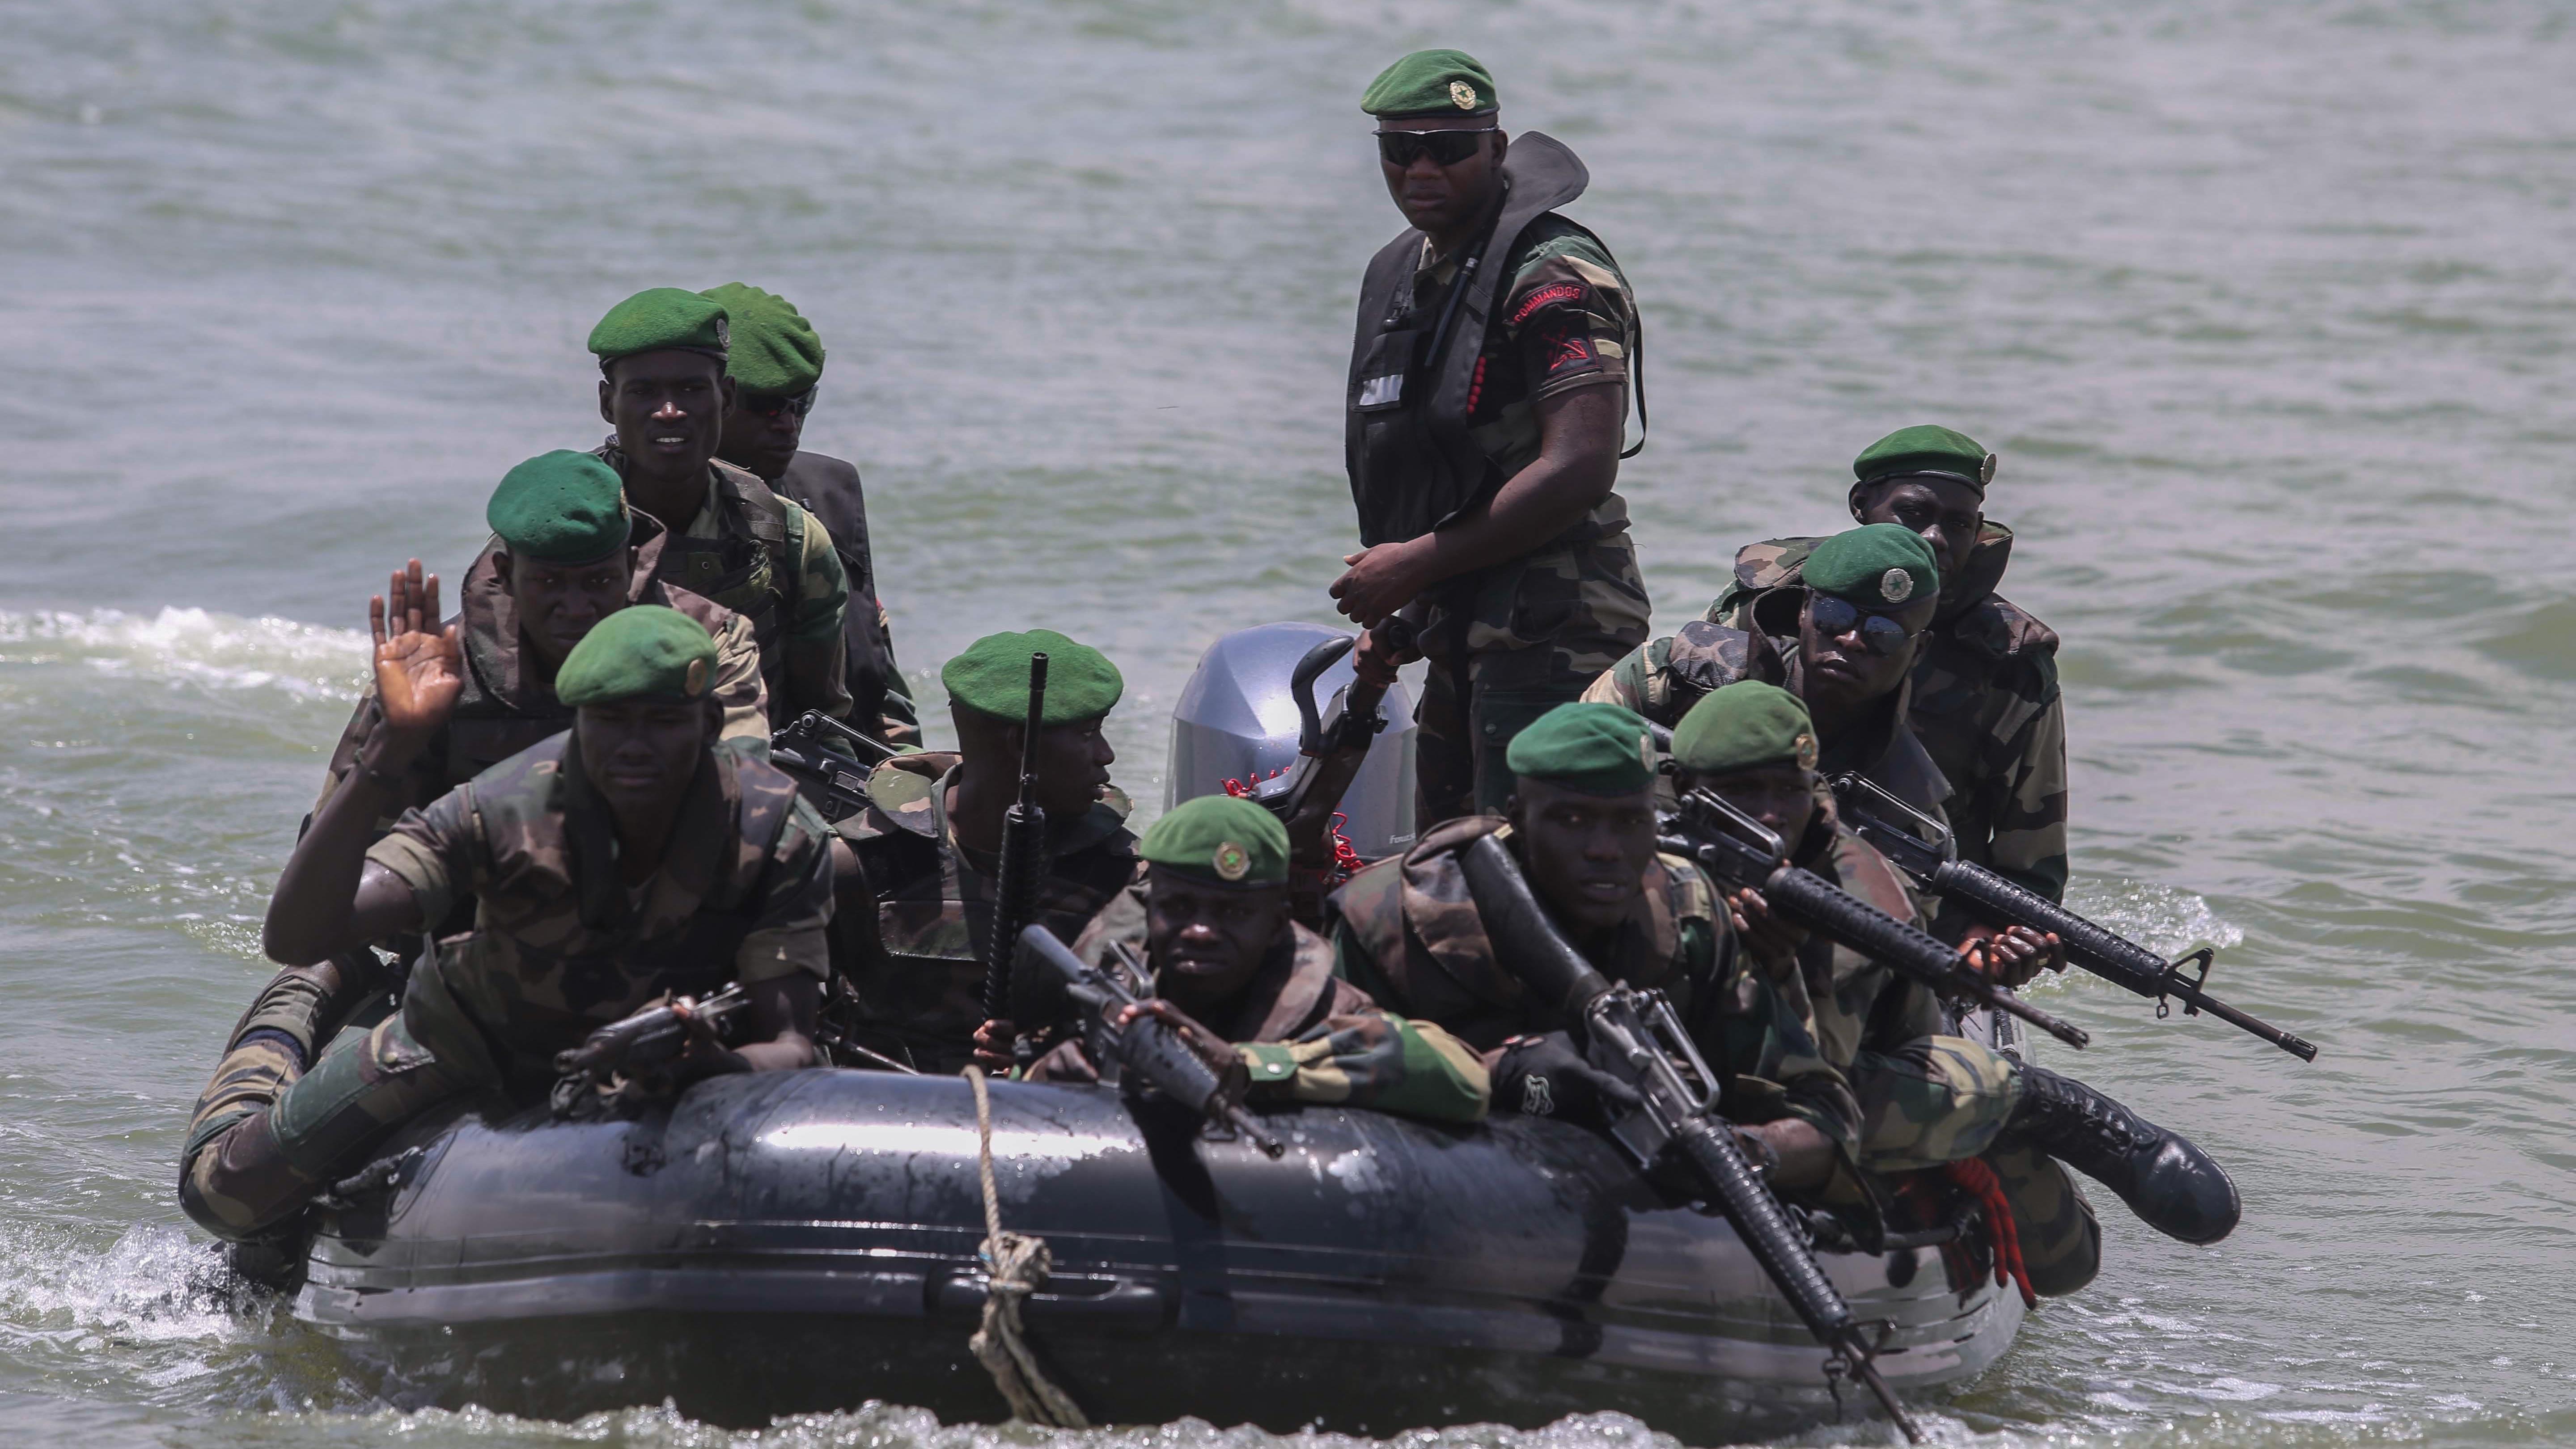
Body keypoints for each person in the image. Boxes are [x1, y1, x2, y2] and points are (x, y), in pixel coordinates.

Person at [178, 606, 835, 1245]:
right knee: (223, 1198)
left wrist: (713, 1066)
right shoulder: (500, 807)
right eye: (611, 722)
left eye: (664, 722)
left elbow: (792, 1043)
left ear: (710, 722)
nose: (636, 748)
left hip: (654, 1053)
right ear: (579, 726)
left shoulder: (774, 830)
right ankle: (308, 1000)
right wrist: (388, 753)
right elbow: (297, 934)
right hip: (471, 1041)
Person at [1666, 680, 2239, 1292]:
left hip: (1870, 1066)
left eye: (1788, 790)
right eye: (1742, 792)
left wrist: (1780, 966)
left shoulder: (1859, 899)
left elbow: (1814, 1084)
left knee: (2063, 1261)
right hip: (1754, 1056)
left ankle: (2045, 1106)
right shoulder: (1653, 849)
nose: (1771, 813)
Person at [1328, 702, 1858, 1194]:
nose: (1605, 850)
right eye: (1572, 821)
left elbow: (1823, 1111)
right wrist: (1493, 1077)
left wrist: (1742, 1153)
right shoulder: (1386, 919)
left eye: (1631, 822)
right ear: (1517, 815)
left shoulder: (1688, 915)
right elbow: (1313, 1090)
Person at [1329, 49, 1652, 829]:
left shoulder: (1552, 274)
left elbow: (1580, 465)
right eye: (1401, 151)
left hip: (1556, 620)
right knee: (1447, 864)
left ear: (1497, 149)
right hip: (1458, 613)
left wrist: (1414, 564)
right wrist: (1411, 606)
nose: (1422, 170)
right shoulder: (1413, 272)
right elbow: (1433, 470)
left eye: (1448, 148)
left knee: (1533, 862)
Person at [312, 450, 768, 830]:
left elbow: (746, 799)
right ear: (508, 575)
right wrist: (398, 738)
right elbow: (331, 858)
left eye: (598, 583)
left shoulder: (710, 641)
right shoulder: (440, 668)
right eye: (549, 584)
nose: (574, 608)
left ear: (631, 567)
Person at [1707, 426, 2068, 901]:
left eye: (1958, 525)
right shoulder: (1765, 603)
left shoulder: (2008, 663)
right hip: (1738, 847)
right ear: (1862, 505)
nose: (1935, 538)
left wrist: (1992, 939)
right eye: (1914, 513)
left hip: (1914, 896)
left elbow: (2033, 868)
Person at [998, 795, 1489, 1126]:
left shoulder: (1326, 1005)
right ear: (1151, 911)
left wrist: (1250, 1068)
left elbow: (1466, 1081)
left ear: (1277, 923)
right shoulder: (1107, 995)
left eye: (1233, 912)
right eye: (1179, 907)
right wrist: (1055, 1077)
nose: (1202, 931)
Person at [830, 629, 1139, 1073]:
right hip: (882, 1112)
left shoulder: (1122, 877)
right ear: (1021, 745)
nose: (1106, 756)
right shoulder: (861, 865)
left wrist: (1049, 1047)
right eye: (1088, 734)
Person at [584, 287, 854, 725]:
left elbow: (822, 718)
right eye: (643, 392)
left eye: (691, 389)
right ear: (607, 403)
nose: (669, 411)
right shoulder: (563, 524)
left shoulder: (787, 534)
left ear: (726, 399)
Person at [701, 282, 919, 747]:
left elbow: (876, 676)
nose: (789, 425)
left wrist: (908, 778)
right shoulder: (640, 507)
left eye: (803, 404)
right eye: (768, 407)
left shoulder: (826, 491)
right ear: (715, 397)